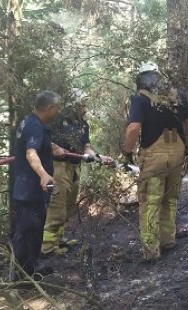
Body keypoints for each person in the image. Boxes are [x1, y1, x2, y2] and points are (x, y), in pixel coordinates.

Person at [123, 61, 188, 262]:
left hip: (154, 156)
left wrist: (127, 152)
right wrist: (185, 145)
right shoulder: (178, 96)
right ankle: (168, 240)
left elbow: (133, 129)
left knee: (150, 202)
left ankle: (151, 251)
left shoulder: (140, 99)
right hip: (177, 153)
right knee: (170, 200)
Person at [41, 90, 113, 256]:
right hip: (58, 167)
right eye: (83, 105)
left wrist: (98, 157)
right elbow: (42, 138)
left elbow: (86, 147)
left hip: (74, 168)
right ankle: (47, 247)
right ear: (74, 105)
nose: (85, 109)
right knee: (57, 206)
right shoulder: (56, 120)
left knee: (68, 205)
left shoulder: (83, 125)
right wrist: (54, 147)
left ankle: (59, 240)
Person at [11, 90, 63, 279]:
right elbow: (30, 152)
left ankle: (32, 269)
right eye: (58, 107)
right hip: (30, 189)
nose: (59, 111)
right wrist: (43, 175)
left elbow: (33, 145)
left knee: (34, 229)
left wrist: (52, 146)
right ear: (49, 108)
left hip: (28, 189)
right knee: (27, 231)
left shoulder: (29, 121)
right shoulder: (34, 126)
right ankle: (24, 276)